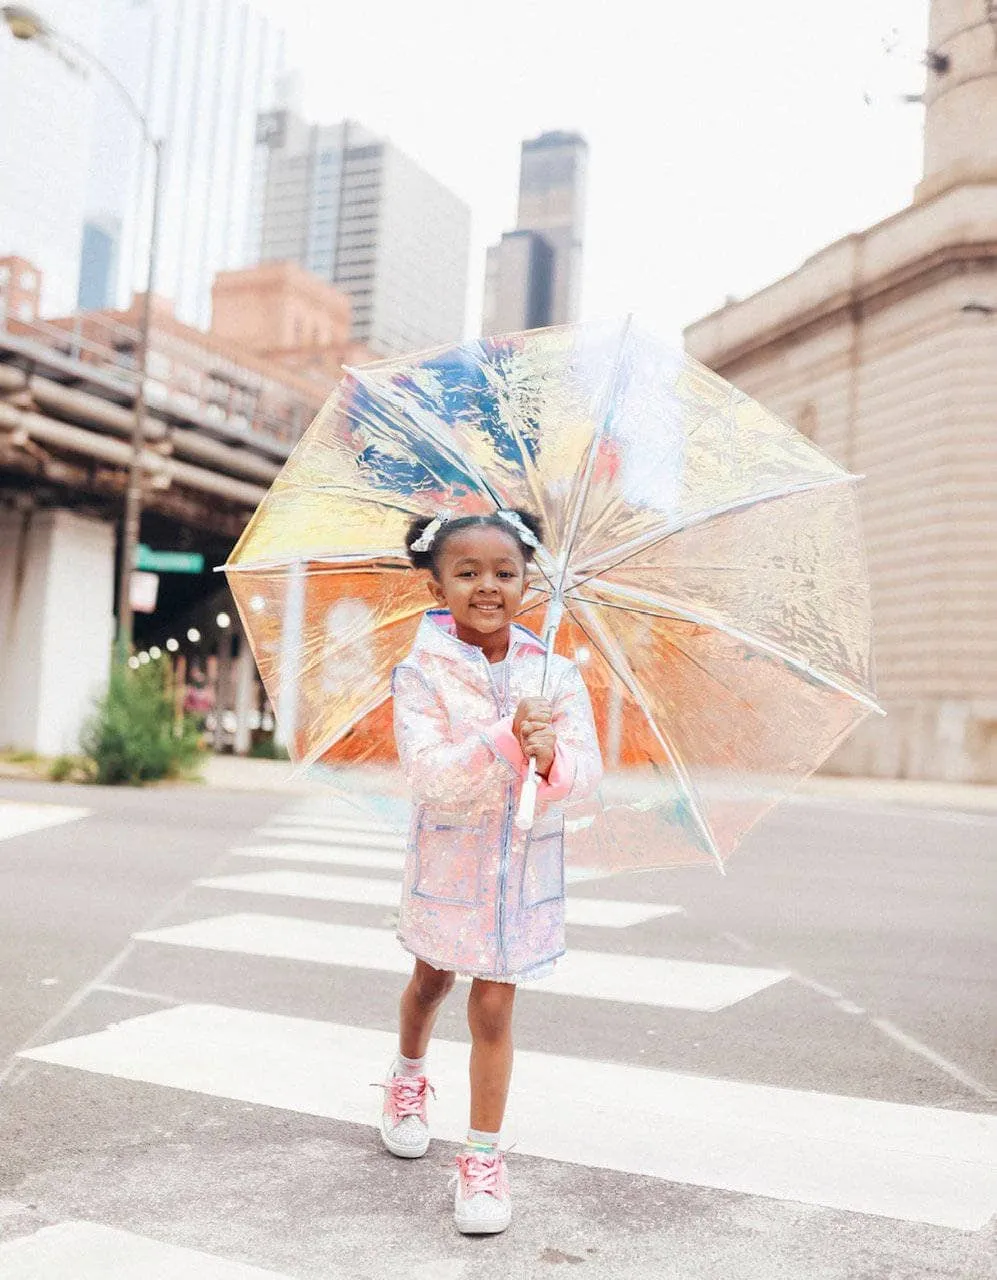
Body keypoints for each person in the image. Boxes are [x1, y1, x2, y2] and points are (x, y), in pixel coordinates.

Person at [375, 507, 603, 1235]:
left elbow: (587, 779)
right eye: (467, 573)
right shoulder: (421, 673)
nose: (487, 587)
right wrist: (504, 737)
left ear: (527, 580)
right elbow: (432, 776)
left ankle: (481, 1159)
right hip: (450, 864)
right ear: (435, 585)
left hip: (520, 872)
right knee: (431, 980)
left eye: (504, 573)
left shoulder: (556, 672)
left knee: (496, 1007)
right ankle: (407, 1079)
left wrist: (547, 758)